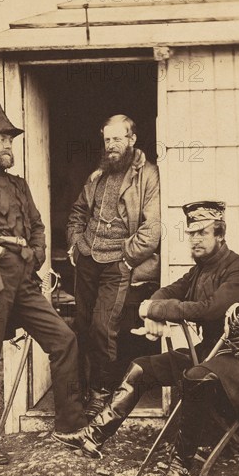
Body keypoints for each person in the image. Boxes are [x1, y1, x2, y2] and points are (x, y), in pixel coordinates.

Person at [55, 201, 239, 476]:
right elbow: (170, 291)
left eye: (202, 233)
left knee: (195, 377)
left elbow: (208, 309)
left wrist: (156, 309)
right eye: (190, 233)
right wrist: (151, 308)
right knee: (141, 368)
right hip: (209, 353)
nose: (194, 239)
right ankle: (93, 436)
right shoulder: (200, 270)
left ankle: (181, 466)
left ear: (220, 234)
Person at [0, 102, 87, 465]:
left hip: (25, 281)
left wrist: (37, 253)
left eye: (11, 139)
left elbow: (38, 226)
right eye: (3, 138)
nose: (9, 144)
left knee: (64, 339)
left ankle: (69, 425)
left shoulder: (20, 185)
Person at [66, 114, 161, 420]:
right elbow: (78, 212)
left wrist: (126, 257)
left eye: (118, 138)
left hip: (118, 263)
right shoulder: (98, 176)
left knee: (102, 328)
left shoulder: (148, 175)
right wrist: (76, 243)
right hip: (88, 260)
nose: (111, 146)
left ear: (132, 140)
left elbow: (152, 230)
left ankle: (102, 393)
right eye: (107, 139)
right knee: (80, 327)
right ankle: (81, 390)